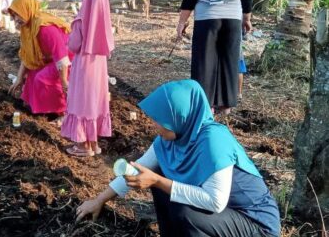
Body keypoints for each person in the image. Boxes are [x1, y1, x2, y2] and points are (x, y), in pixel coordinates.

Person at [76, 80, 281, 237]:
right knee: (158, 174)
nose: (155, 125)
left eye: (161, 120)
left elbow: (214, 202)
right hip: (225, 216)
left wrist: (158, 181)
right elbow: (138, 170)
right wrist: (99, 200)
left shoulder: (213, 141)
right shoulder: (172, 138)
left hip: (254, 223)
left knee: (185, 211)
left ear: (181, 117)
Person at [177, 0, 254, 115]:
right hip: (233, 21)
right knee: (229, 60)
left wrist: (181, 23)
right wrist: (247, 19)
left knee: (204, 62)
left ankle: (206, 105)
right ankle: (226, 105)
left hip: (207, 20)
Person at [61, 0, 114, 156]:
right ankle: (94, 144)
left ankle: (83, 146)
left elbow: (73, 45)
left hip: (83, 66)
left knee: (82, 102)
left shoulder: (81, 19)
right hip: (99, 66)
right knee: (95, 102)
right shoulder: (104, 19)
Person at [7, 0, 73, 118]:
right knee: (32, 75)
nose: (16, 19)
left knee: (42, 78)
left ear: (27, 10)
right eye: (14, 15)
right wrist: (19, 78)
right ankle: (38, 108)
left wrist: (64, 83)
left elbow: (62, 58)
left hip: (69, 58)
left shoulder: (44, 28)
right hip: (51, 58)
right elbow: (28, 56)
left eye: (18, 14)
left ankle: (61, 110)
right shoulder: (27, 26)